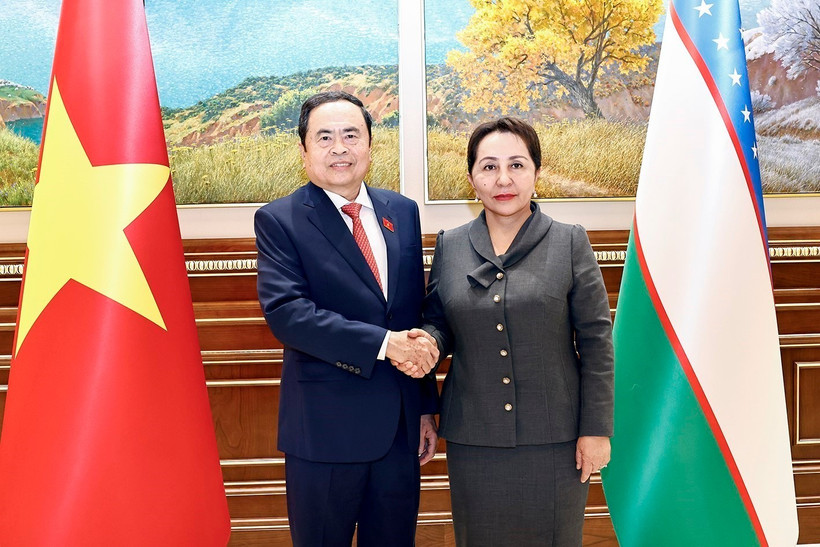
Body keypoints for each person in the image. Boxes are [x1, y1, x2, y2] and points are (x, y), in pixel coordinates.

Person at [254, 91, 439, 547]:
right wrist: (384, 344)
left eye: (351, 135)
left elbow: (412, 311)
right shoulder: (280, 220)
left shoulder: (403, 212)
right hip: (324, 435)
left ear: (370, 145)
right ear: (304, 152)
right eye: (325, 137)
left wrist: (424, 408)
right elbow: (288, 315)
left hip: (399, 431)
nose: (340, 148)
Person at [421, 117, 614, 546]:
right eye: (488, 166)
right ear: (471, 177)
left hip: (557, 439)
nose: (502, 179)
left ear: (536, 173)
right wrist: (428, 342)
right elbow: (439, 324)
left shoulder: (569, 241)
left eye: (517, 165)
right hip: (474, 436)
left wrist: (596, 430)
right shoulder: (450, 245)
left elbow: (598, 342)